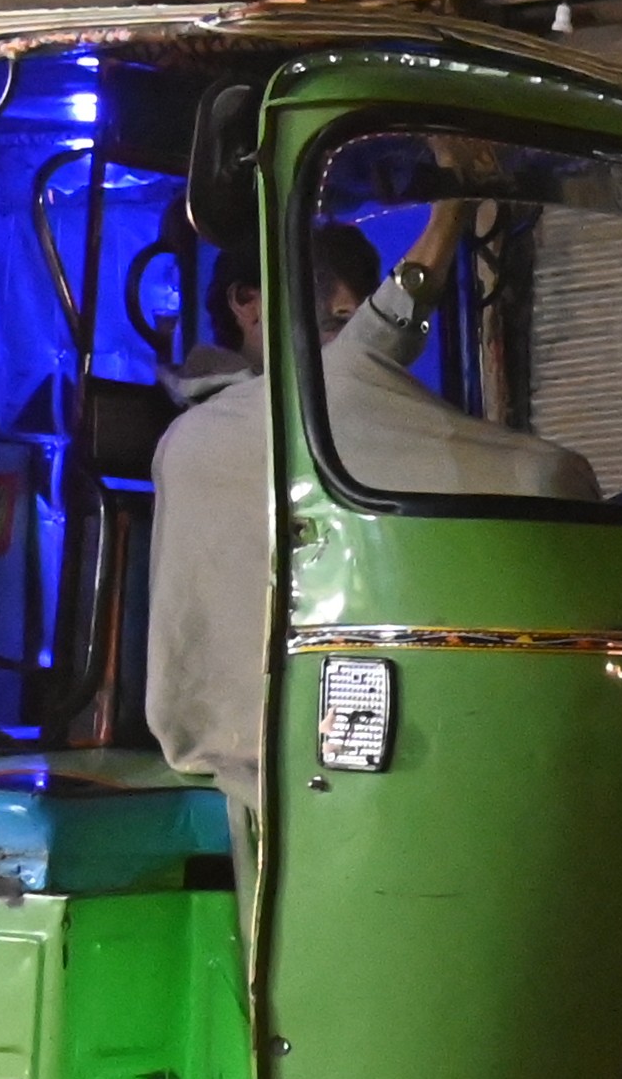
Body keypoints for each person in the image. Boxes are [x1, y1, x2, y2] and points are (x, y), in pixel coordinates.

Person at [143, 203, 597, 851]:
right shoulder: (228, 431)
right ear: (249, 301)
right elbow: (537, 484)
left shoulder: (338, 425)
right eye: (337, 320)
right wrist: (453, 208)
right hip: (298, 768)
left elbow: (494, 536)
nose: (356, 340)